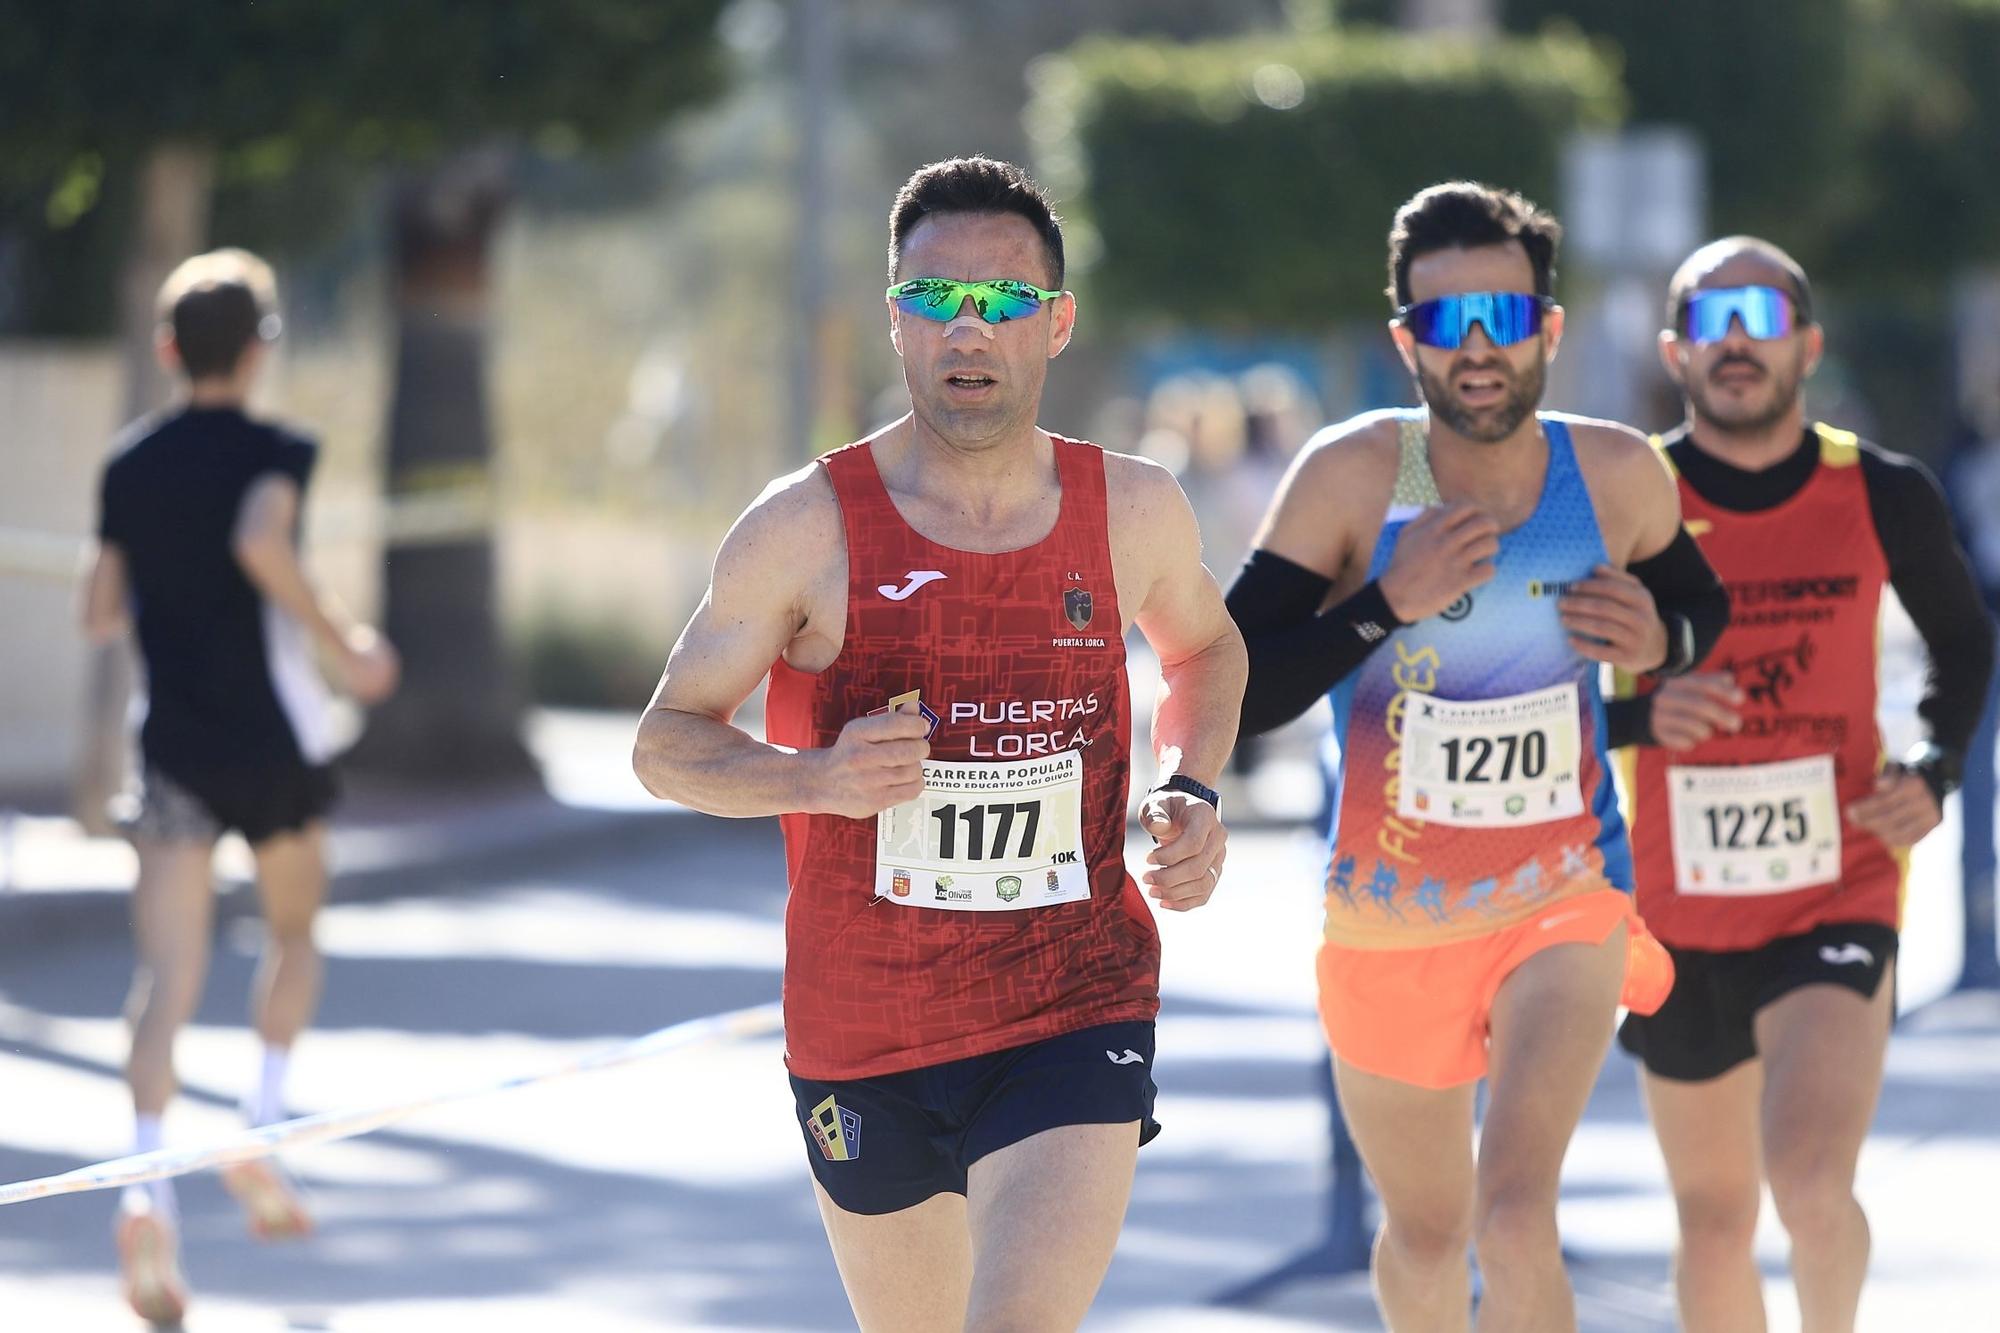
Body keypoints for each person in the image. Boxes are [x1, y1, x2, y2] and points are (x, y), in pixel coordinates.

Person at [630, 157, 1246, 1332]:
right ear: (895, 319)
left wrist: (1193, 787)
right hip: (865, 1030)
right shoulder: (804, 527)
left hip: (1074, 1004)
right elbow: (664, 743)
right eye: (936, 300)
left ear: (1055, 324)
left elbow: (1205, 652)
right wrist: (814, 781)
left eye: (1005, 303)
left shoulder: (1129, 509)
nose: (971, 330)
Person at [1226, 181, 1729, 1332]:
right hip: (1391, 918)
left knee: (1511, 1217)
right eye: (1444, 324)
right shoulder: (1362, 477)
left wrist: (1658, 640)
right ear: (1406, 341)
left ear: (1544, 328)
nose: (1477, 350)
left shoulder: (1607, 475)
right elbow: (1237, 688)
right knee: (1424, 1237)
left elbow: (1700, 606)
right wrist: (1381, 605)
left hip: (1561, 896)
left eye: (1501, 318)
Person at [1609, 236, 1994, 1333]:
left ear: (1806, 345)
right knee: (1713, 1218)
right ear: (1674, 350)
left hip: (1837, 882)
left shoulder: (1880, 490)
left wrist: (1936, 764)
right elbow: (1526, 682)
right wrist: (1638, 713)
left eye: (1762, 317)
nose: (1737, 339)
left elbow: (1965, 646)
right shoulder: (1626, 490)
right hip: (1673, 905)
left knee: (1811, 1178)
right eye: (1711, 319)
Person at [81, 248, 400, 1324]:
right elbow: (260, 538)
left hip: (170, 741)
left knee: (163, 975)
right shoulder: (277, 449)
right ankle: (258, 1125)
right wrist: (345, 641)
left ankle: (141, 1183)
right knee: (294, 933)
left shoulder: (127, 464)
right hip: (269, 741)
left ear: (169, 349)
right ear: (259, 348)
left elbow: (97, 608)